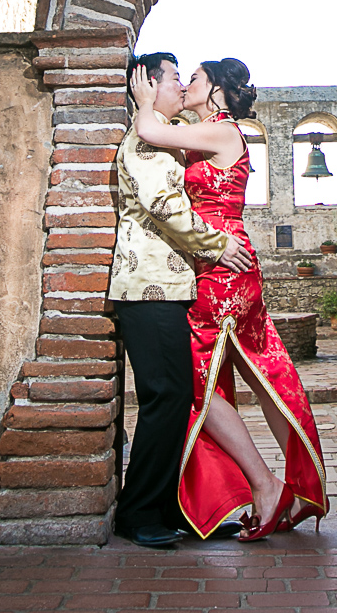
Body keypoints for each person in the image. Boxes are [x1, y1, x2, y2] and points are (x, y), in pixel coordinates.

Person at [129, 57, 329, 542]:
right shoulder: (208, 133)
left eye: (193, 77)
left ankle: (267, 487)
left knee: (199, 384)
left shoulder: (223, 132)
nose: (187, 84)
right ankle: (298, 488)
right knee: (264, 373)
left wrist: (142, 99)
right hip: (225, 264)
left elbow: (152, 131)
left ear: (215, 88)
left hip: (222, 267)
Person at [109, 52, 257, 549]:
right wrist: (219, 245)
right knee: (165, 397)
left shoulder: (167, 139)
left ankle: (168, 506)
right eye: (173, 77)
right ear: (149, 86)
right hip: (147, 287)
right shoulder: (146, 141)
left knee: (176, 399)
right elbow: (165, 207)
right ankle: (138, 511)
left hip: (170, 288)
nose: (180, 84)